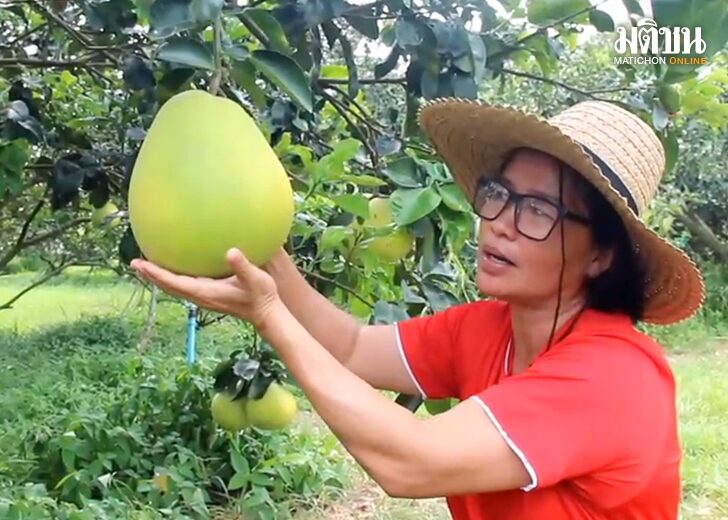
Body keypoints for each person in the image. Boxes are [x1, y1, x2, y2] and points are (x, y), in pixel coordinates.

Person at [131, 99, 706, 519]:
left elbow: (411, 461)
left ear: (602, 255)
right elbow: (353, 348)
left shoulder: (615, 377)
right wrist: (258, 251)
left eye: (538, 211)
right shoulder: (487, 329)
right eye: (500, 194)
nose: (499, 223)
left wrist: (269, 315)